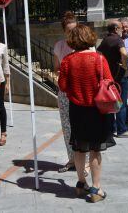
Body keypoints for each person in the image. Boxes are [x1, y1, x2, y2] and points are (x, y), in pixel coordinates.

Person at [58, 24, 115, 203]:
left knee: (79, 147)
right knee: (95, 149)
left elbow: (62, 86)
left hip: (77, 109)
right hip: (97, 110)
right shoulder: (99, 59)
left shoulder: (67, 60)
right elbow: (109, 82)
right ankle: (96, 188)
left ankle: (81, 184)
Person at [97, 20, 128, 138]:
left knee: (110, 103)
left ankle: (111, 129)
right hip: (120, 77)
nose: (122, 30)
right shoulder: (118, 40)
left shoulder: (104, 41)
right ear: (115, 29)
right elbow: (124, 54)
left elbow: (98, 55)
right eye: (120, 28)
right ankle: (122, 130)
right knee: (120, 103)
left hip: (109, 78)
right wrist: (125, 67)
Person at [53, 11, 77, 173]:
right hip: (64, 91)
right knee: (67, 126)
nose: (72, 33)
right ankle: (72, 159)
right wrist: (58, 76)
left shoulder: (84, 44)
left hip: (81, 91)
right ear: (64, 31)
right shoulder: (59, 46)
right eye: (69, 30)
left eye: (75, 29)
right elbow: (56, 69)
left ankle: (86, 160)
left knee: (82, 125)